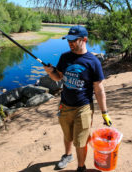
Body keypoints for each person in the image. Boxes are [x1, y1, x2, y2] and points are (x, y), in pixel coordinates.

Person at [44, 25, 112, 172]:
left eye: (74, 40)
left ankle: (81, 168)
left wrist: (104, 112)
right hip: (65, 105)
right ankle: (67, 156)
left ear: (84, 40)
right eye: (69, 40)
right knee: (67, 135)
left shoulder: (93, 62)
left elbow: (99, 90)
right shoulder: (65, 57)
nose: (70, 43)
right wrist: (50, 72)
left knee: (80, 142)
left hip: (84, 107)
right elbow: (59, 77)